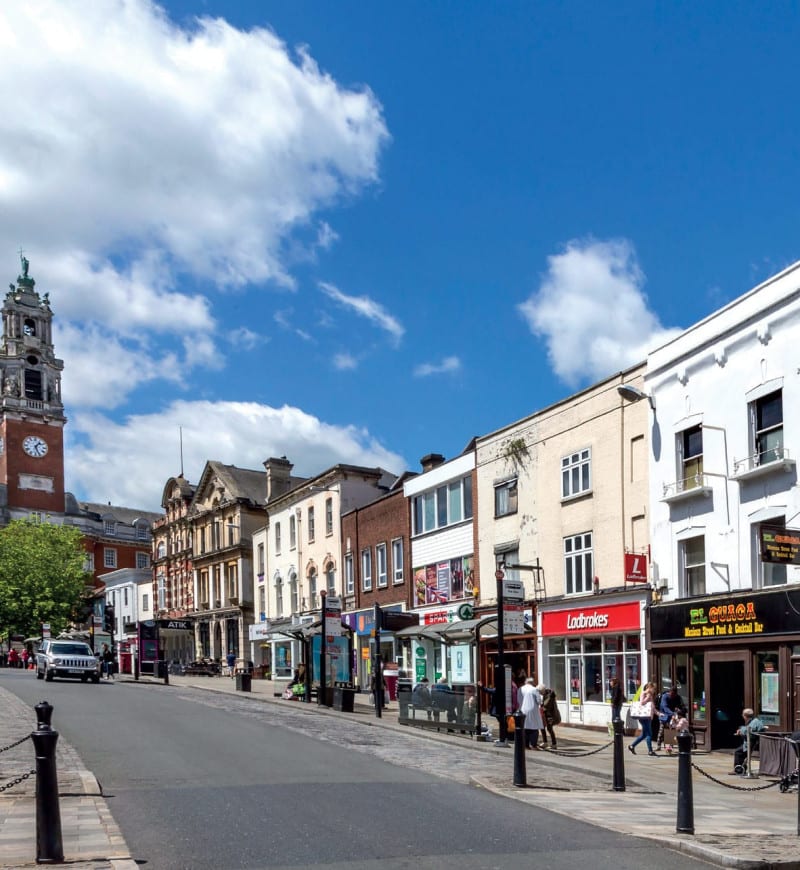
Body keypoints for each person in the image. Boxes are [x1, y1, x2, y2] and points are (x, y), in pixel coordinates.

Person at [731, 708, 766, 775]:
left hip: (750, 743)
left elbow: (748, 731)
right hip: (750, 742)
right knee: (740, 752)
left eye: (743, 715)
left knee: (738, 752)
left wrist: (741, 730)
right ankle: (741, 768)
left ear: (745, 716)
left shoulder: (754, 722)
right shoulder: (754, 721)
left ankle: (738, 769)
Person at [629, 681, 657, 755]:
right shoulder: (644, 693)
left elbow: (652, 706)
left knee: (644, 735)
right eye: (653, 689)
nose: (654, 691)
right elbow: (642, 703)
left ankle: (632, 746)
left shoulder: (650, 695)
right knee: (649, 734)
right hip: (643, 717)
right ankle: (650, 751)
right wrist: (648, 697)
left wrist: (658, 713)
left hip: (648, 716)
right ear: (649, 688)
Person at [519, 678, 544, 749]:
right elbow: (539, 701)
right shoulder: (534, 689)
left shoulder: (521, 689)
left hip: (523, 709)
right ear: (532, 683)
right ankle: (533, 744)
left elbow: (518, 699)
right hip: (533, 710)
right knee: (534, 728)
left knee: (525, 727)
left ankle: (526, 745)